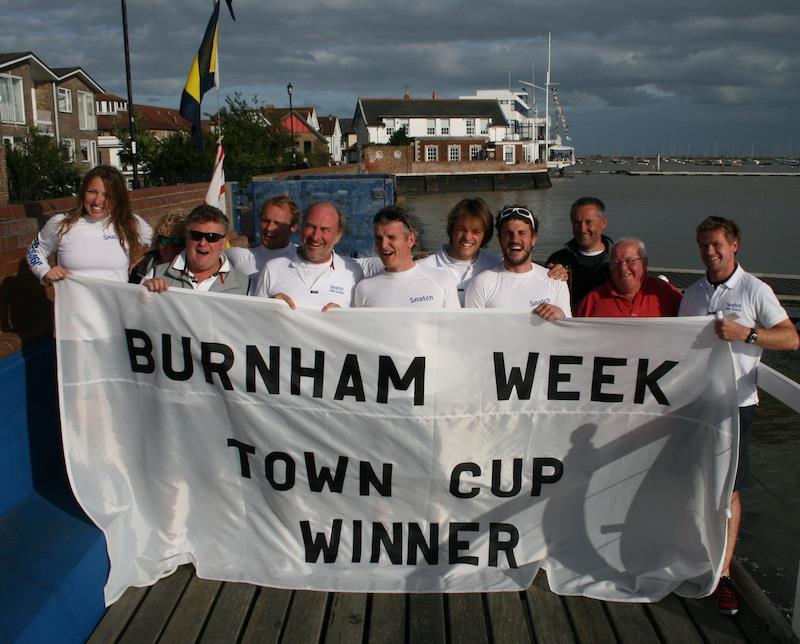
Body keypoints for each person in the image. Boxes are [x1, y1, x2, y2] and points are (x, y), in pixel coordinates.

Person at [679, 216, 798, 615]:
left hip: (737, 406)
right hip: (695, 405)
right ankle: (695, 559)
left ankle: (724, 574)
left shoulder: (754, 290)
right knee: (696, 484)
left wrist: (746, 334)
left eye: (716, 244)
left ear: (734, 246)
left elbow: (790, 337)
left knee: (729, 491)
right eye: (703, 245)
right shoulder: (693, 294)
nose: (709, 252)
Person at [26, 165, 152, 284]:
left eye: (107, 195)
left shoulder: (129, 221)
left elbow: (165, 243)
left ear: (118, 198)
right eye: (92, 192)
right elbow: (34, 251)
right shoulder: (61, 223)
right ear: (83, 192)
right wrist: (44, 272)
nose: (98, 201)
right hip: (74, 306)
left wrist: (146, 257)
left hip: (115, 306)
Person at [251, 201, 363, 310]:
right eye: (310, 226)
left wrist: (346, 319)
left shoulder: (353, 272)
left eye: (324, 230)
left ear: (338, 236)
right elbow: (254, 322)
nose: (315, 237)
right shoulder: (273, 269)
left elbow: (362, 324)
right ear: (301, 228)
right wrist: (268, 308)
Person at [465, 205, 571, 319]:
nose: (515, 240)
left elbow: (569, 330)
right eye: (508, 233)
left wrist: (562, 316)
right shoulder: (480, 284)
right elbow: (473, 332)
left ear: (533, 239)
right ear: (500, 239)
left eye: (522, 233)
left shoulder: (556, 280)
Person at [353, 206, 459, 308]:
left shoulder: (442, 281)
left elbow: (455, 326)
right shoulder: (364, 288)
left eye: (391, 237)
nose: (383, 245)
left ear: (411, 240)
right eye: (379, 238)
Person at [142, 204, 248, 295]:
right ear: (186, 237)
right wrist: (143, 294)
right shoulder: (156, 275)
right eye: (196, 235)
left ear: (223, 242)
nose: (202, 243)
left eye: (212, 237)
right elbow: (134, 314)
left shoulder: (245, 286)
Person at [417, 197, 500, 305]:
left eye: (476, 232)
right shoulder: (423, 267)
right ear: (451, 228)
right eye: (462, 229)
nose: (467, 237)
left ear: (485, 235)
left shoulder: (497, 266)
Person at [575, 238, 682, 317]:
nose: (623, 268)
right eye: (616, 263)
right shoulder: (593, 300)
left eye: (630, 261)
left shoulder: (665, 292)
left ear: (644, 263)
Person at [546, 196, 613, 307]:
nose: (582, 229)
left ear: (603, 223)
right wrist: (549, 277)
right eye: (577, 223)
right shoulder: (558, 260)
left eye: (589, 222)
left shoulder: (617, 261)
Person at [226, 195, 299, 279]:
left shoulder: (302, 259)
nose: (269, 228)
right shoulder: (238, 257)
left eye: (277, 223)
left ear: (293, 227)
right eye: (266, 221)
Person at [130, 209, 187, 284]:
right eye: (164, 240)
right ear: (157, 241)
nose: (169, 248)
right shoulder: (144, 264)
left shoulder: (193, 269)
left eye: (177, 241)